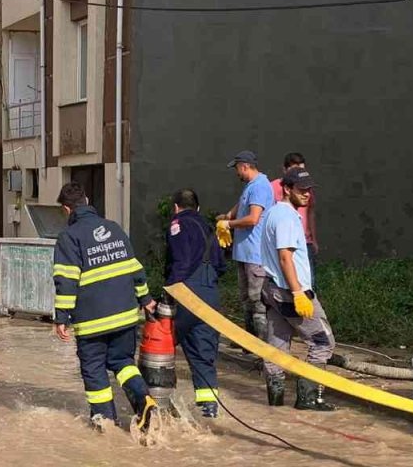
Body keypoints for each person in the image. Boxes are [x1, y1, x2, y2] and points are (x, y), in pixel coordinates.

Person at [52, 182, 159, 431]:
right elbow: (135, 270)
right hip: (124, 316)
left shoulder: (69, 237)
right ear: (87, 201)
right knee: (123, 362)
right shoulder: (114, 228)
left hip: (92, 322)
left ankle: (106, 425)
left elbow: (66, 280)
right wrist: (145, 300)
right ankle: (144, 400)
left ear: (67, 210)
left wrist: (61, 317)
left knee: (94, 371)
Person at [259, 167, 336, 411]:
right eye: (301, 190)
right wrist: (298, 293)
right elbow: (285, 258)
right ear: (287, 189)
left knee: (277, 344)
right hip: (290, 292)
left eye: (309, 190)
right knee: (323, 342)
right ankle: (308, 397)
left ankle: (276, 401)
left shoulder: (272, 213)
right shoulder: (287, 217)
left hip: (273, 290)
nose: (307, 195)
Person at [164, 188, 227, 418]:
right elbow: (220, 265)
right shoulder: (210, 229)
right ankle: (208, 411)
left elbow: (180, 260)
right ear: (198, 208)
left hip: (186, 294)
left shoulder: (177, 224)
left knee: (160, 346)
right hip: (210, 295)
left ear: (176, 208)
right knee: (204, 355)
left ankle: (157, 404)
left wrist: (168, 290)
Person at [216, 150, 275, 340]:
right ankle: (250, 342)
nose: (236, 173)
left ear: (244, 166)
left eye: (237, 169)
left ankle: (263, 348)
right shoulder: (251, 186)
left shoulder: (260, 186)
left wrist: (229, 224)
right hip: (245, 253)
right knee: (246, 300)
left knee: (257, 301)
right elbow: (241, 204)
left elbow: (253, 218)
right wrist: (227, 216)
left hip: (255, 255)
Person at [270, 152, 318, 287]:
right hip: (283, 242)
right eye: (294, 170)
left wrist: (313, 239)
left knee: (308, 281)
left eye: (302, 170)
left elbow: (311, 212)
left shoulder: (306, 190)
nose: (306, 193)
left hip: (304, 240)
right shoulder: (273, 187)